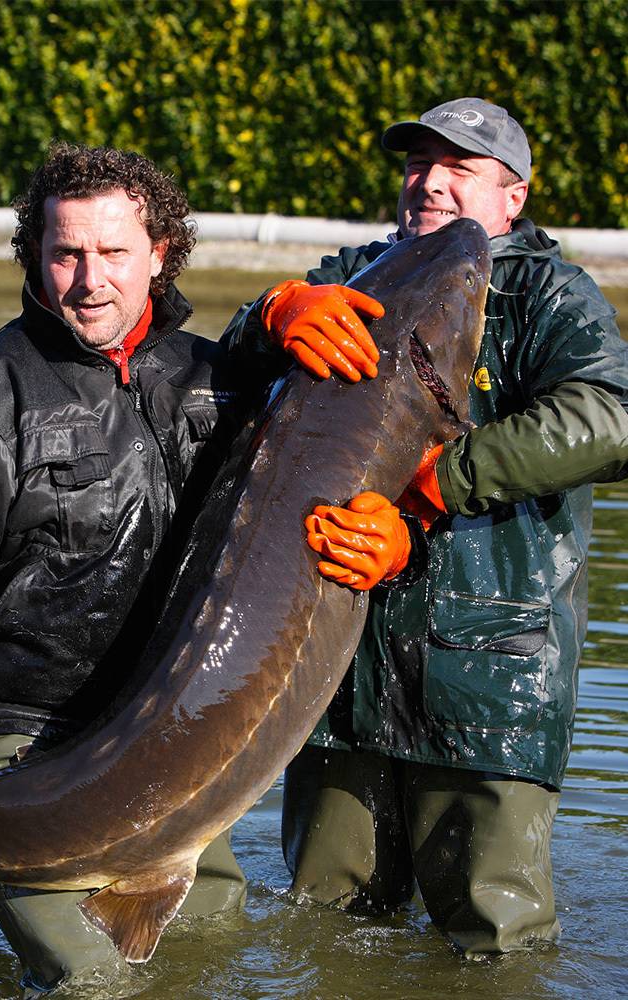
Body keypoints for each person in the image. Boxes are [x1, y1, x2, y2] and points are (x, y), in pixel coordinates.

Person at [0, 142, 386, 995]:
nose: (90, 280)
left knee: (210, 966)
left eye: (114, 251)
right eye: (66, 252)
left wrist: (391, 541)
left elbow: (321, 494)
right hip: (22, 745)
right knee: (92, 984)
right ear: (34, 256)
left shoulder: (222, 381)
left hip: (173, 734)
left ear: (160, 255)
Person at [229, 97, 628, 956]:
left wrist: (435, 485)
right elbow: (226, 374)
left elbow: (609, 419)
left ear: (513, 198)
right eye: (418, 164)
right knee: (323, 934)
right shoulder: (357, 273)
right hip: (338, 676)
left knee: (495, 946)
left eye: (459, 168)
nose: (431, 182)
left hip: (491, 679)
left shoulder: (549, 292)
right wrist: (272, 314)